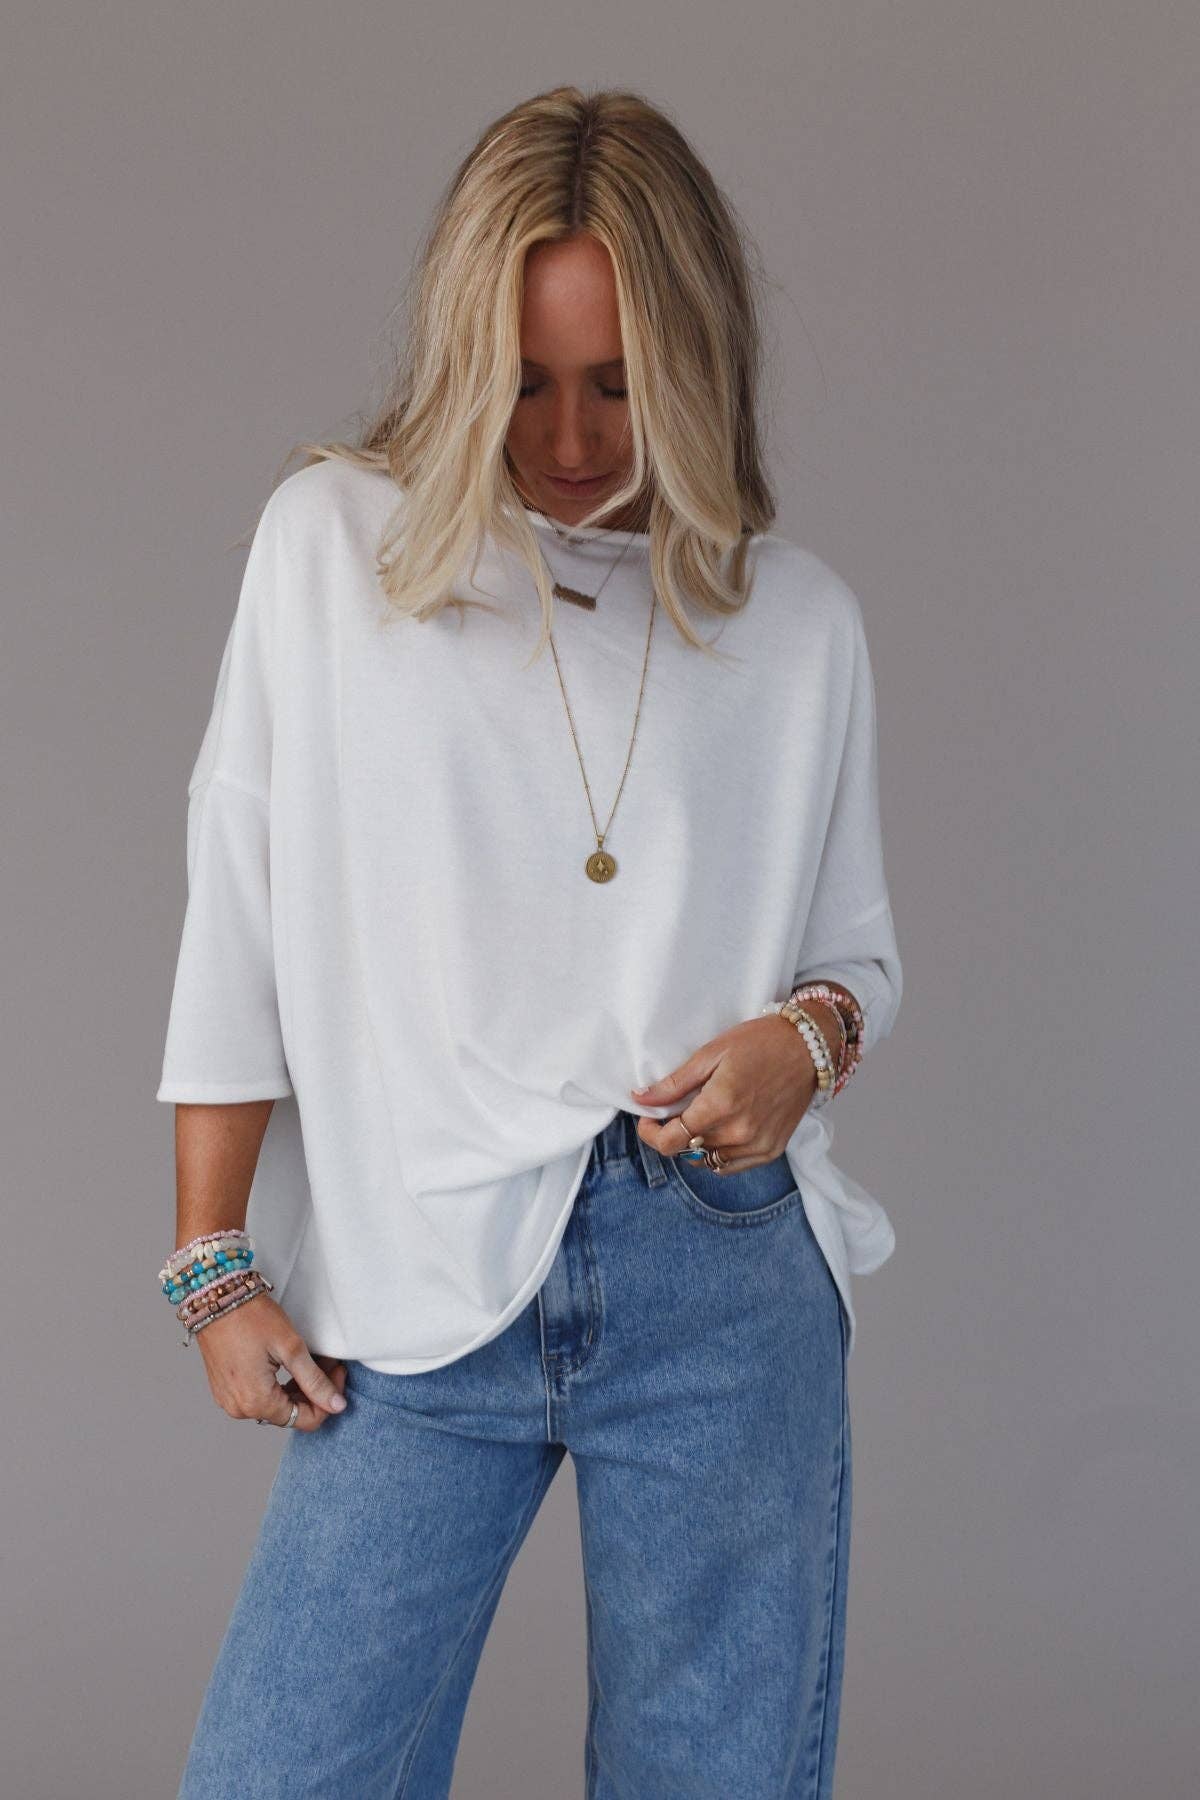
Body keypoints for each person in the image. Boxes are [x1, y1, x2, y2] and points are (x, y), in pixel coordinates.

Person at [156, 84, 902, 1800]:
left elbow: (854, 963)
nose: (570, 436)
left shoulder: (797, 626)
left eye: (620, 383)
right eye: (526, 380)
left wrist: (802, 1045)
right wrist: (211, 1260)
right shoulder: (335, 552)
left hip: (718, 1272)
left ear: (696, 364)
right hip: (418, 1272)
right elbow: (237, 904)